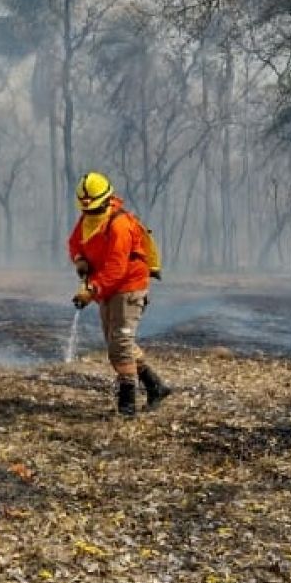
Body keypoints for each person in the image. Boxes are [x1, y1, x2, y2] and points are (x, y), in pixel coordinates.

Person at [67, 171, 171, 417]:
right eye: (85, 209)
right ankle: (156, 387)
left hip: (128, 287)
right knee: (116, 342)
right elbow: (74, 242)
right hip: (107, 289)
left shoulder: (120, 225)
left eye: (92, 208)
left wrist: (91, 289)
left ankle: (127, 406)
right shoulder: (88, 220)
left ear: (105, 199)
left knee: (120, 344)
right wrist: (80, 259)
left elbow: (116, 269)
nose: (88, 212)